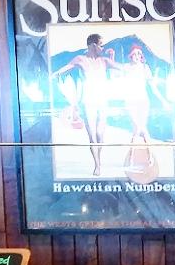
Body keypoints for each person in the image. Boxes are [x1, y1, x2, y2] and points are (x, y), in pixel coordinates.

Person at [51, 33, 122, 176]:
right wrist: (56, 74)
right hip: (88, 100)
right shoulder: (81, 59)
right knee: (92, 136)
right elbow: (66, 68)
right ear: (93, 45)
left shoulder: (104, 61)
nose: (103, 48)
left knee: (100, 135)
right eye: (101, 45)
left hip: (102, 100)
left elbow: (121, 68)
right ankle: (97, 165)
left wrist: (113, 57)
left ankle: (98, 159)